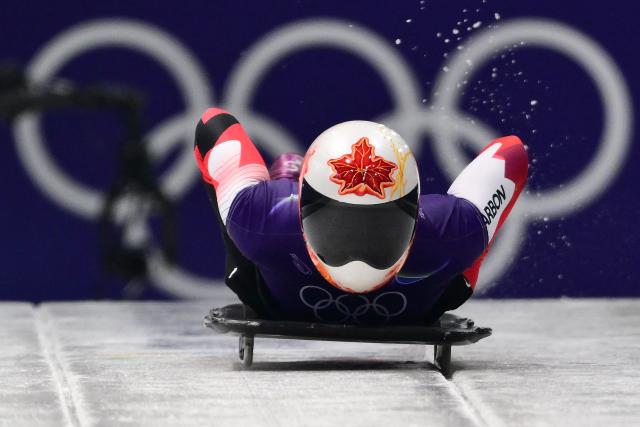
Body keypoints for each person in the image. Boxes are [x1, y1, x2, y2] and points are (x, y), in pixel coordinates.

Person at [194, 107, 528, 325]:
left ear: (416, 213)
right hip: (419, 306)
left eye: (381, 225)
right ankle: (287, 176)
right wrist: (470, 263)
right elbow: (513, 152)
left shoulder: (260, 218)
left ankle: (288, 173)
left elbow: (213, 123)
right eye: (338, 224)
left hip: (274, 296)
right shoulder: (453, 231)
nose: (358, 253)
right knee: (459, 275)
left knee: (242, 243)